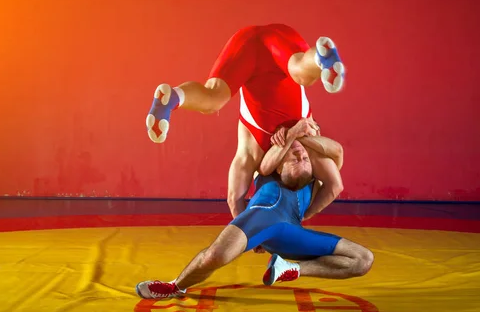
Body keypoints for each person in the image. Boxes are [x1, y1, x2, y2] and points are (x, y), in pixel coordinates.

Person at [136, 121, 374, 300]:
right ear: (279, 168)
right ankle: (175, 286)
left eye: (303, 159)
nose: (301, 155)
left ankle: (291, 268)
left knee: (363, 259)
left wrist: (300, 137)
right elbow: (236, 195)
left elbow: (337, 160)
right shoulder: (266, 164)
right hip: (262, 217)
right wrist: (294, 135)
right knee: (215, 256)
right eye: (295, 158)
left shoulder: (318, 169)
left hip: (292, 232)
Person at [146, 24, 345, 219]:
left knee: (213, 100)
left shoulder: (252, 150)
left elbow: (235, 199)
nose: (299, 153)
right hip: (282, 46)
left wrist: (248, 234)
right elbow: (335, 183)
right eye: (304, 159)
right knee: (300, 72)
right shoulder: (309, 142)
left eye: (294, 160)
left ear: (277, 167)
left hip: (247, 48)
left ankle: (173, 98)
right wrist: (306, 217)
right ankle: (320, 58)